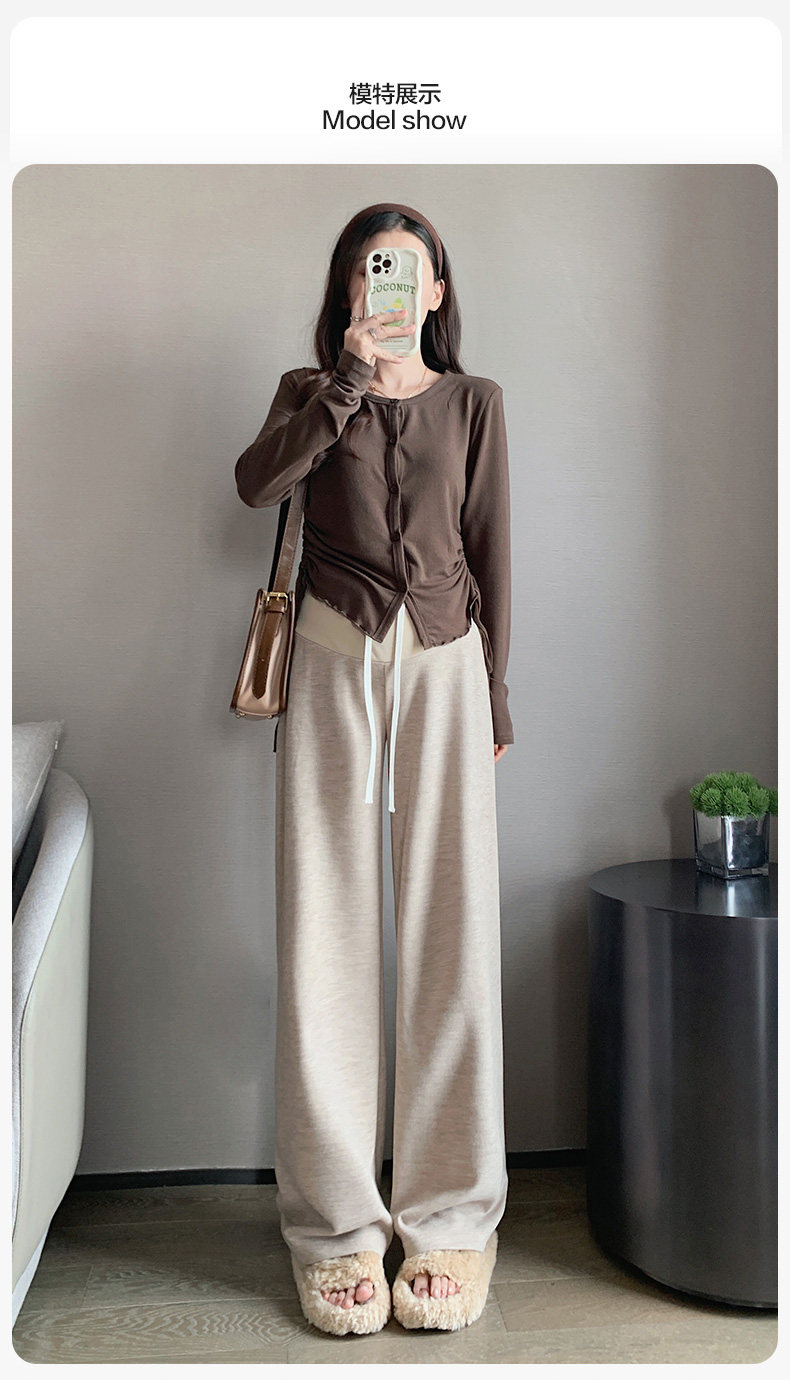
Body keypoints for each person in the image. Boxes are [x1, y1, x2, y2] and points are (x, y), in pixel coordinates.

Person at [234, 202, 514, 1336]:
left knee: (453, 933)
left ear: (436, 291)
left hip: (445, 665)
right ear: (349, 290)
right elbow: (256, 486)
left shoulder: (476, 402)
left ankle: (449, 1219)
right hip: (329, 657)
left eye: (406, 270)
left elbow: (492, 549)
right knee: (325, 934)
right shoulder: (309, 392)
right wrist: (347, 381)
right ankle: (335, 1225)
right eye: (368, 269)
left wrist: (497, 693)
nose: (388, 285)